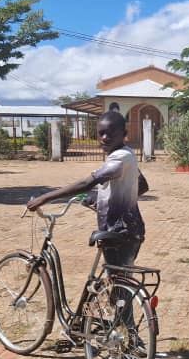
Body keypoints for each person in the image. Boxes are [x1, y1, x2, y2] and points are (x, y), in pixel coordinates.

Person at [27, 111, 147, 266]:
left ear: (124, 134)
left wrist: (45, 198)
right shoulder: (127, 153)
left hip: (118, 231)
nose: (104, 138)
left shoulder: (119, 158)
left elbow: (87, 183)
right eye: (101, 133)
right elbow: (142, 184)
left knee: (117, 280)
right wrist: (115, 202)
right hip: (131, 228)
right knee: (121, 278)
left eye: (110, 134)